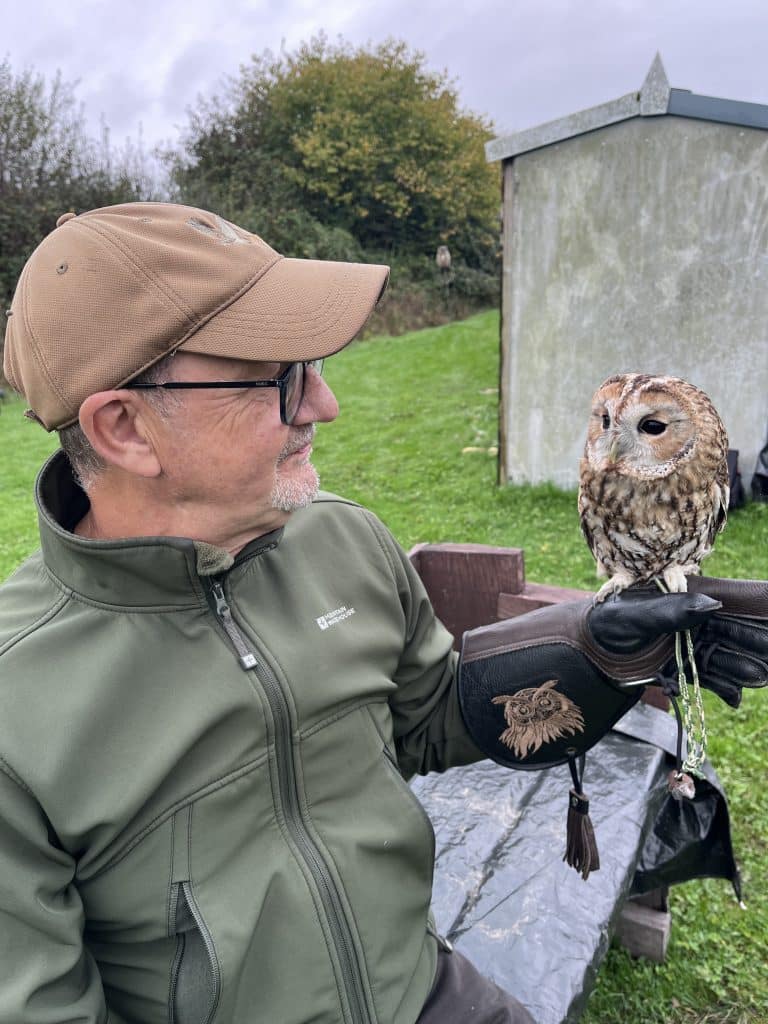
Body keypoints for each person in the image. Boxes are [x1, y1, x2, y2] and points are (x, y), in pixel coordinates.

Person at [0, 202, 766, 1024]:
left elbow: (434, 718)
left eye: (318, 363)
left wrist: (599, 653)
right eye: (283, 375)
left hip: (421, 987)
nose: (324, 404)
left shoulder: (342, 538)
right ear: (124, 427)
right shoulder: (19, 702)